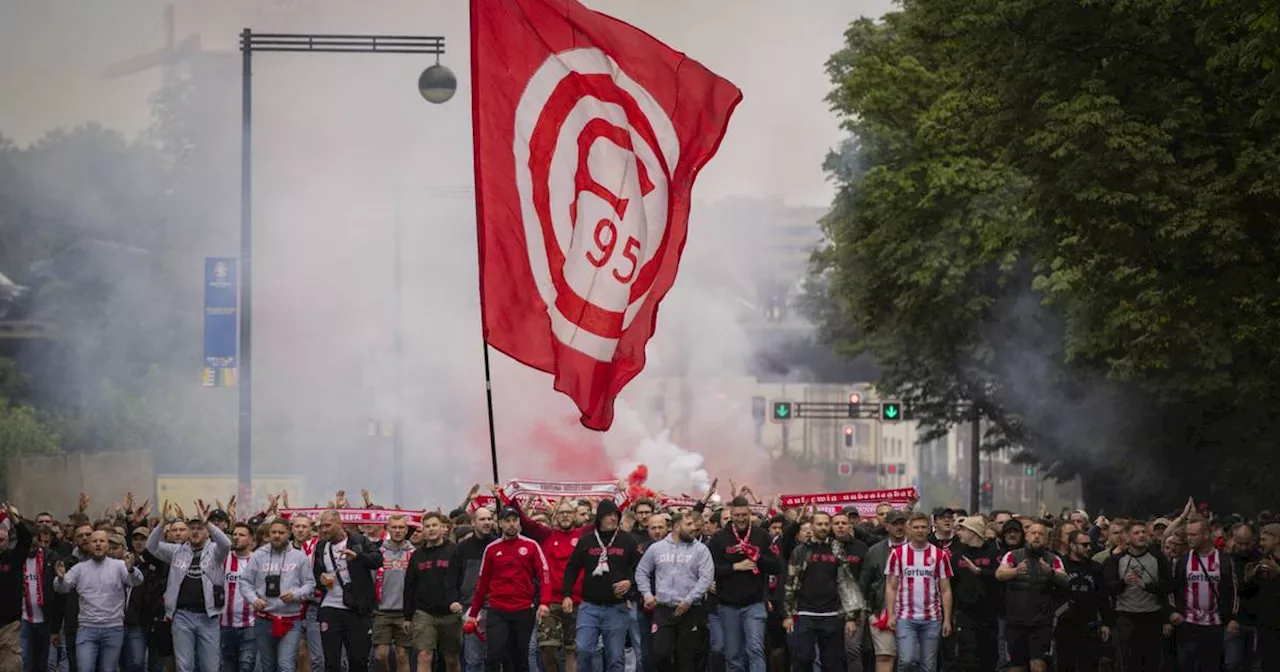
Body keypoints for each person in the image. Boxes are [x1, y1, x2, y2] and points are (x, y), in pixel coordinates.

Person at [146, 502, 233, 672]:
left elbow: (227, 544)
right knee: (185, 667)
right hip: (181, 616)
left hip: (208, 617)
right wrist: (162, 523)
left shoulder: (215, 551)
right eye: (191, 528)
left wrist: (206, 521)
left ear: (207, 531)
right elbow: (151, 546)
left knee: (210, 667)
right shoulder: (177, 551)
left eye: (199, 528)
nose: (195, 531)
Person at [467, 507, 552, 672]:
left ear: (519, 523)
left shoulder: (531, 545)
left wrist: (544, 602)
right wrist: (473, 614)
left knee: (520, 657)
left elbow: (544, 575)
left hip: (523, 609)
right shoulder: (491, 549)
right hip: (497, 609)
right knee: (494, 655)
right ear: (500, 524)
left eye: (515, 520)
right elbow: (482, 583)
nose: (512, 524)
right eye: (507, 521)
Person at [562, 500, 640, 672]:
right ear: (599, 518)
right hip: (589, 607)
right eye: (608, 515)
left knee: (615, 657)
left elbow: (640, 568)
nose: (613, 518)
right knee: (583, 650)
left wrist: (630, 581)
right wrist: (566, 594)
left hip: (616, 608)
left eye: (616, 515)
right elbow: (572, 568)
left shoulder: (627, 541)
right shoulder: (587, 541)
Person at [53, 530, 144, 672]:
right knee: (85, 668)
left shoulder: (119, 566)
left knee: (107, 669)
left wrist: (131, 569)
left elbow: (135, 581)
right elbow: (62, 588)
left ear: (107, 545)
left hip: (113, 628)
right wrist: (60, 578)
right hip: (87, 629)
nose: (98, 544)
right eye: (94, 541)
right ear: (89, 545)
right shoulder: (79, 569)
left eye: (102, 541)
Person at [707, 497, 781, 672]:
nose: (741, 519)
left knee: (755, 649)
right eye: (737, 515)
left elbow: (777, 566)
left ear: (750, 514)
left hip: (754, 603)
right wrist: (735, 567)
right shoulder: (719, 538)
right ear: (731, 515)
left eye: (744, 515)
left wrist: (758, 557)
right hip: (727, 605)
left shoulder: (762, 536)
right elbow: (710, 570)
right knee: (733, 655)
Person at [635, 512, 715, 672]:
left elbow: (706, 578)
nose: (694, 528)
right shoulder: (656, 548)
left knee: (686, 659)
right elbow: (641, 571)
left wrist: (689, 600)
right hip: (663, 610)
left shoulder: (701, 550)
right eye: (689, 524)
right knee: (660, 654)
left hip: (691, 610)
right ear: (677, 527)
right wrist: (647, 594)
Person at [240, 518, 315, 672]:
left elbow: (310, 585)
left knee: (285, 665)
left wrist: (296, 594)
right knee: (268, 666)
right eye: (273, 532)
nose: (276, 536)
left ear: (289, 534)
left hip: (291, 620)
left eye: (281, 533)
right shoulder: (258, 555)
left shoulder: (299, 557)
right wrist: (254, 599)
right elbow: (245, 582)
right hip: (264, 619)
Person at [313, 510, 384, 672]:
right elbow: (316, 574)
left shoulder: (358, 540)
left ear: (339, 523)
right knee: (331, 660)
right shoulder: (321, 546)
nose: (324, 530)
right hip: (330, 606)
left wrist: (358, 557)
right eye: (321, 526)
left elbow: (377, 560)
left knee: (357, 659)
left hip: (356, 608)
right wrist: (321, 579)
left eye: (328, 525)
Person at [994, 521, 1068, 672]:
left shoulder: (1053, 559)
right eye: (1033, 533)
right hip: (1015, 621)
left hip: (1041, 623)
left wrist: (1051, 573)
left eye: (1041, 534)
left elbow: (1066, 580)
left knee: (1038, 666)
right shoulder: (1013, 556)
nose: (1036, 537)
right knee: (1016, 668)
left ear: (1046, 539)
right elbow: (999, 574)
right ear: (1026, 536)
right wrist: (1015, 571)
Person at [884, 513, 952, 672]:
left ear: (929, 529)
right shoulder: (898, 554)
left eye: (923, 527)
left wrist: (947, 619)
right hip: (905, 617)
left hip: (932, 618)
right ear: (909, 529)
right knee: (906, 660)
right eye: (916, 527)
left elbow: (946, 589)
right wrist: (891, 614)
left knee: (928, 666)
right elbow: (891, 586)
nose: (920, 530)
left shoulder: (939, 555)